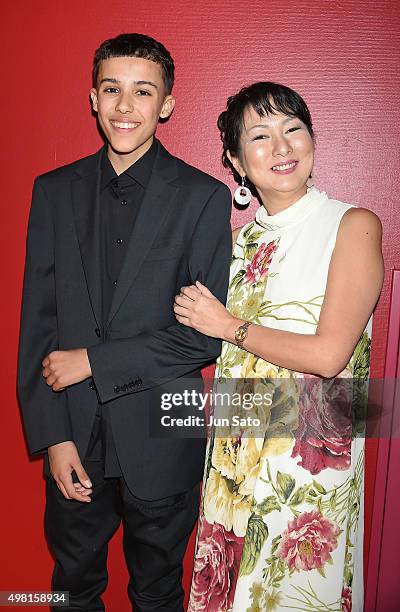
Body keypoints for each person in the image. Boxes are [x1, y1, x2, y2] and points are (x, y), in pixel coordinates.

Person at [18, 33, 232, 611]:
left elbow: (199, 337)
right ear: (93, 97)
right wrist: (52, 436)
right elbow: (36, 325)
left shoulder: (204, 198)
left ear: (165, 105)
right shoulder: (53, 192)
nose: (125, 106)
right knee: (71, 588)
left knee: (159, 591)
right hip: (73, 436)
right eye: (112, 89)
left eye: (143, 92)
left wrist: (93, 361)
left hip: (165, 436)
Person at [174, 82, 383, 611]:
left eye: (293, 129)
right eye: (260, 137)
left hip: (304, 475)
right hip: (234, 467)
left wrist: (227, 326)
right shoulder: (239, 243)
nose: (282, 147)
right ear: (236, 162)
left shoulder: (351, 225)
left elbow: (329, 355)